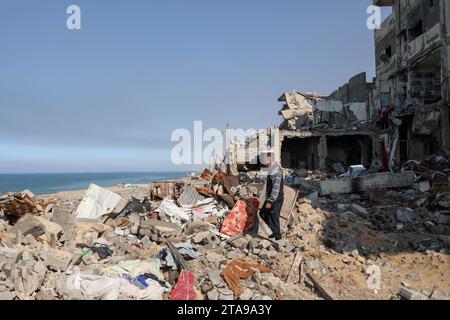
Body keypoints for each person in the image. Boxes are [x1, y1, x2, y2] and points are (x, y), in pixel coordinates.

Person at [259, 152, 284, 240]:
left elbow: (276, 188)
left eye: (265, 161)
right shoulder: (271, 169)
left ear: (270, 160)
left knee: (274, 217)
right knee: (262, 213)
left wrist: (270, 201)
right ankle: (274, 231)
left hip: (275, 199)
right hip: (271, 198)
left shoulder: (276, 170)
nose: (264, 163)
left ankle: (278, 238)